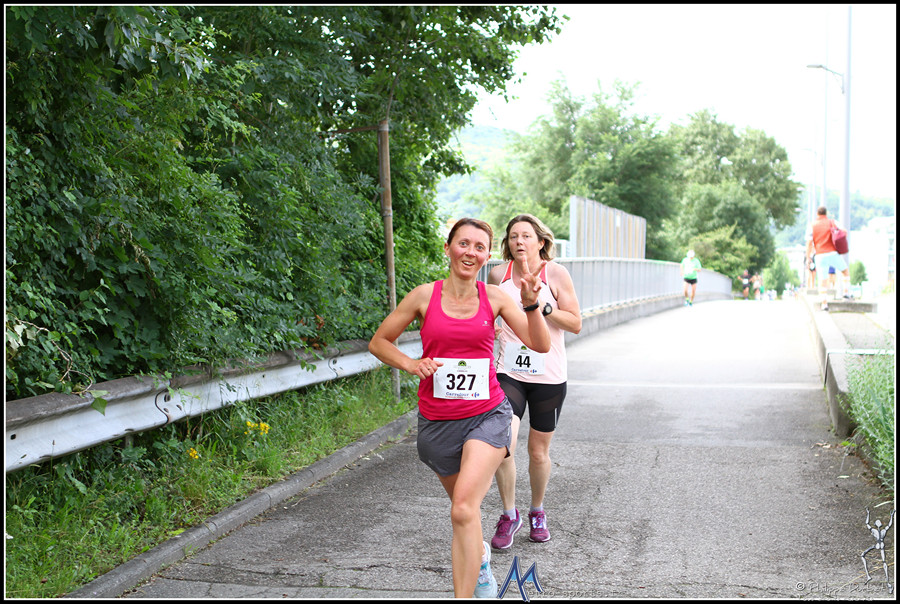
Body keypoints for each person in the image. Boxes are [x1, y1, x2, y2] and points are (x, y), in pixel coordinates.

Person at [368, 218, 550, 598]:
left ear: (487, 255)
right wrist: (411, 364)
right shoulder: (423, 296)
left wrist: (532, 303)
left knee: (463, 510)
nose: (470, 252)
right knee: (465, 513)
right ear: (448, 248)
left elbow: (540, 344)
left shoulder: (495, 298)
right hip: (437, 424)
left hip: (487, 416)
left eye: (479, 247)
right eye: (463, 243)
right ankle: (480, 561)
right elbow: (379, 341)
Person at [487, 214, 582, 550]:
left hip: (549, 375)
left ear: (541, 241)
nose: (519, 241)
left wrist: (541, 308)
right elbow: (487, 312)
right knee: (504, 443)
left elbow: (575, 323)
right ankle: (508, 513)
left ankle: (537, 511)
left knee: (538, 452)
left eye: (526, 235)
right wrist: (490, 325)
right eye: (513, 236)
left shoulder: (555, 274)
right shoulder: (498, 275)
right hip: (509, 371)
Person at [806, 206, 850, 309]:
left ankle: (824, 303)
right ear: (826, 214)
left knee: (823, 281)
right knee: (845, 271)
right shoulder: (832, 222)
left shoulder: (812, 225)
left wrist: (808, 258)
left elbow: (809, 243)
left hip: (820, 255)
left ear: (817, 214)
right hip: (832, 253)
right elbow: (844, 232)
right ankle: (846, 293)